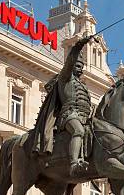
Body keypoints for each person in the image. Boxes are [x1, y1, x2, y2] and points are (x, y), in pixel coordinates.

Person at [31, 35, 94, 176]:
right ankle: (73, 164)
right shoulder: (66, 78)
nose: (80, 69)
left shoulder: (82, 85)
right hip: (69, 115)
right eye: (78, 66)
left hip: (84, 117)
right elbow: (70, 62)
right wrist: (78, 46)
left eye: (82, 67)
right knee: (78, 131)